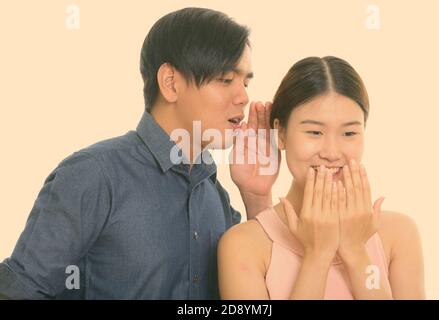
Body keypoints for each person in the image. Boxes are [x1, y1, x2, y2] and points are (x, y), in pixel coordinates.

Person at [0, 7, 278, 299]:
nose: (243, 97)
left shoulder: (215, 194)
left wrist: (257, 198)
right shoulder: (94, 175)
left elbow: (259, 296)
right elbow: (18, 292)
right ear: (171, 83)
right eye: (225, 79)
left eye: (245, 82)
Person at [218, 56, 425, 300]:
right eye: (315, 132)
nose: (332, 152)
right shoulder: (242, 246)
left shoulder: (399, 234)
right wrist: (317, 256)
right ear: (281, 133)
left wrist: (356, 252)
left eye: (349, 132)